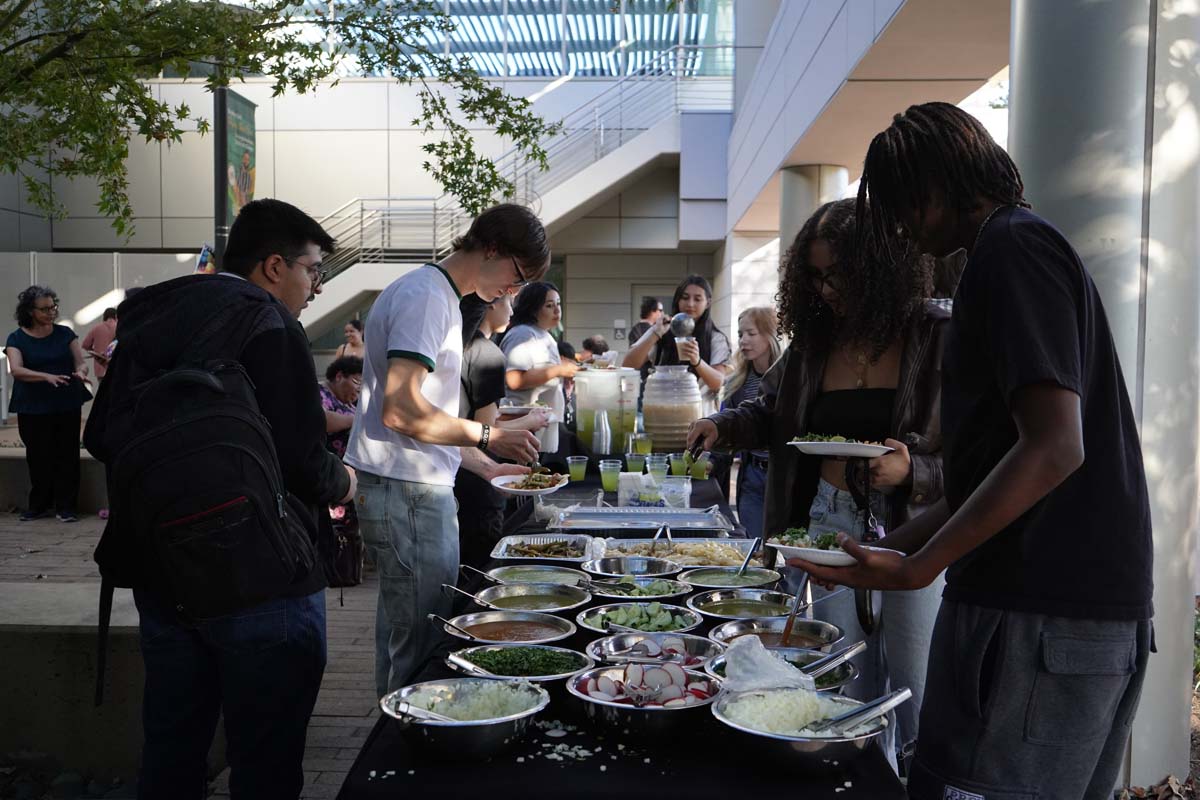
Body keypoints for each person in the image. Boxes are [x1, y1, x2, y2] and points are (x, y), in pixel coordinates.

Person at [796, 102, 1153, 800]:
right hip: (1050, 612)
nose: (897, 224)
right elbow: (995, 469)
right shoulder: (1012, 249)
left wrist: (921, 566)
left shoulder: (1012, 249)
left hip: (1040, 610)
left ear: (940, 183)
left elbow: (1055, 448)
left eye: (902, 201)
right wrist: (887, 552)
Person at [84, 198, 357, 799]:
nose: (315, 287)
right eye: (313, 270)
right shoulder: (269, 321)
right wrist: (346, 483)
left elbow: (99, 434)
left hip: (160, 571)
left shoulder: (152, 318)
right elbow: (303, 461)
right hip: (265, 579)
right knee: (265, 760)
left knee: (173, 751)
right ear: (274, 266)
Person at [687, 198, 948, 770]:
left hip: (916, 526)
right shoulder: (814, 342)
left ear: (882, 266)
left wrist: (916, 471)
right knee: (839, 680)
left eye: (839, 275)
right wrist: (720, 425)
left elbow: (980, 452)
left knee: (917, 680)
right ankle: (850, 777)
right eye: (816, 277)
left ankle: (912, 782)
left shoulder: (935, 334)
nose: (827, 290)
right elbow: (769, 410)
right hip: (828, 521)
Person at [344, 203, 544, 698]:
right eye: (517, 276)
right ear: (493, 248)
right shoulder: (427, 297)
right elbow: (402, 412)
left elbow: (423, 422)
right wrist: (488, 436)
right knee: (422, 640)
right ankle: (405, 747)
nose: (513, 293)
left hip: (409, 488)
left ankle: (398, 740)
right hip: (407, 494)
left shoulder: (434, 294)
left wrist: (486, 464)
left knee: (406, 634)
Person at [456, 295, 551, 566]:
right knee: (479, 568)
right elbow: (486, 433)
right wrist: (529, 422)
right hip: (479, 478)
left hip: (451, 472)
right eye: (508, 301)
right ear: (491, 304)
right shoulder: (487, 354)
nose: (512, 310)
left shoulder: (453, 348)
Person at [5, 286, 89, 523]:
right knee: (38, 455)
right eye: (45, 309)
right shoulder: (16, 338)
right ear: (30, 311)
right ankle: (39, 505)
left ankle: (67, 507)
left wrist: (81, 373)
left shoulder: (65, 334)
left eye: (53, 307)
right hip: (33, 405)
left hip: (65, 401)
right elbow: (17, 370)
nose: (51, 312)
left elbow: (80, 363)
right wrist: (46, 377)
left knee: (67, 455)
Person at [622, 274, 731, 413]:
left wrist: (697, 361)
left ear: (708, 303)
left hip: (701, 417)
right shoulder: (662, 330)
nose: (690, 304)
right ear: (678, 300)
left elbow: (717, 383)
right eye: (685, 298)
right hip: (663, 413)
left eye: (697, 299)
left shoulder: (716, 338)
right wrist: (654, 333)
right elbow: (628, 365)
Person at [719, 306, 782, 540]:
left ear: (770, 336)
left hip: (783, 477)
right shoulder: (736, 383)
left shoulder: (791, 380)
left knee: (788, 552)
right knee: (755, 550)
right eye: (740, 334)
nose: (744, 341)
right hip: (752, 475)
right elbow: (726, 427)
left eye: (751, 334)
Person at [500, 281, 577, 456]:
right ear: (533, 308)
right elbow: (514, 379)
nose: (557, 310)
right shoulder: (522, 334)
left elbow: (543, 375)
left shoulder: (545, 335)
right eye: (549, 305)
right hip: (522, 423)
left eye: (558, 304)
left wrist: (565, 374)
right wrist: (558, 370)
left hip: (543, 423)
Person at [82, 307, 118, 380]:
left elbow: (85, 345)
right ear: (116, 316)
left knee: (103, 390)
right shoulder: (119, 327)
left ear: (104, 317)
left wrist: (95, 352)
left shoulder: (96, 328)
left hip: (100, 368)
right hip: (116, 367)